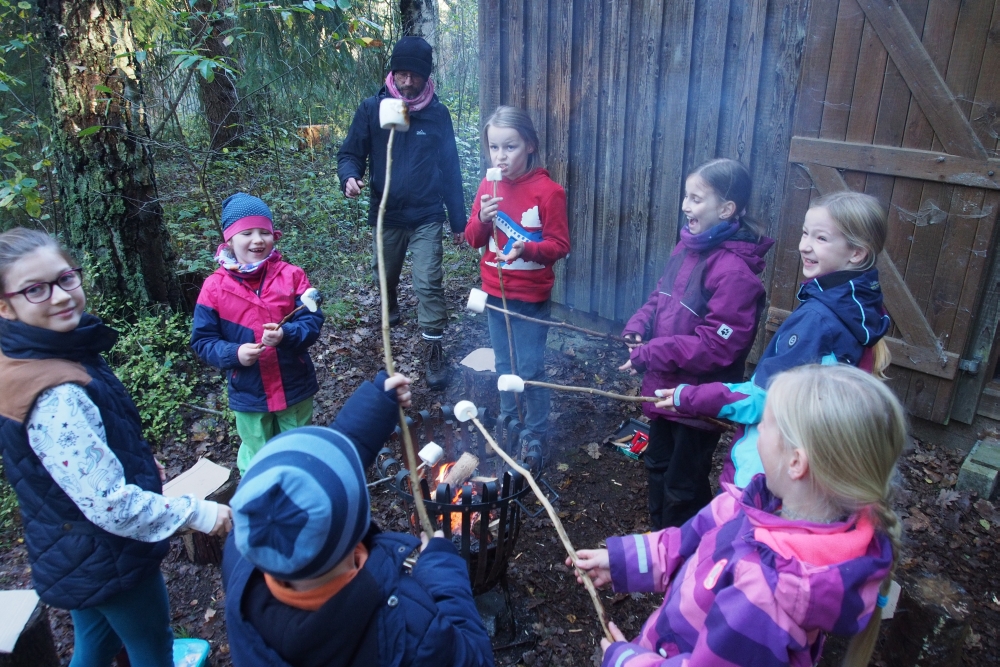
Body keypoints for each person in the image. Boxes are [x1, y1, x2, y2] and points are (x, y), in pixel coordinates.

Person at [0, 228, 232, 667]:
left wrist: (136, 461)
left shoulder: (39, 352)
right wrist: (199, 513)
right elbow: (110, 505)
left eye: (66, 278)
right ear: (5, 304)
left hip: (71, 547)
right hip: (105, 553)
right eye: (36, 289)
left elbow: (70, 459)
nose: (61, 296)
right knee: (152, 650)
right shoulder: (54, 391)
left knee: (97, 644)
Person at [571, 364, 903, 667]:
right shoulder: (755, 504)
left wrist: (627, 662)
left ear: (796, 463)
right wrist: (620, 562)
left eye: (764, 424)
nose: (753, 432)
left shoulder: (765, 598)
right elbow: (684, 542)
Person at [221, 371, 495, 667]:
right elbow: (473, 657)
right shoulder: (410, 631)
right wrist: (442, 572)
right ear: (354, 525)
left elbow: (328, 467)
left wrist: (377, 404)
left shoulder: (243, 555)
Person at [656, 190, 890, 489]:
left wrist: (686, 397)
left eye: (821, 239)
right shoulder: (862, 305)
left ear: (857, 253)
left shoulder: (817, 321)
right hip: (812, 462)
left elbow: (765, 399)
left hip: (767, 475)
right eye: (806, 233)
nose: (805, 246)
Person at [617, 158, 773, 529]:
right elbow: (661, 296)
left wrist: (652, 352)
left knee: (683, 484)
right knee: (657, 463)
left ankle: (687, 551)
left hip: (699, 398)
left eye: (696, 198)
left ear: (726, 209)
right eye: (686, 197)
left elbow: (717, 347)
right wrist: (639, 325)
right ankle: (661, 540)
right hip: (665, 388)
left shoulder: (735, 273)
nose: (686, 206)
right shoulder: (686, 249)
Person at [337, 35, 466, 390]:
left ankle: (434, 348)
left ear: (427, 76)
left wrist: (459, 220)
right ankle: (390, 303)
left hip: (426, 213)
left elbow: (450, 168)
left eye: (416, 76)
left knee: (427, 282)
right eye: (403, 73)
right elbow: (350, 153)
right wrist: (350, 177)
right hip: (387, 214)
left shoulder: (437, 114)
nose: (409, 83)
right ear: (393, 71)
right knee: (386, 275)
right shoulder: (371, 109)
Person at [191, 193, 324, 475]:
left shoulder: (292, 276)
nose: (257, 240)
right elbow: (203, 341)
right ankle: (261, 498)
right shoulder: (213, 288)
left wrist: (286, 335)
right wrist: (234, 353)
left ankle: (302, 494)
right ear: (229, 239)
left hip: (294, 386)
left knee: (298, 447)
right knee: (258, 454)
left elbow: (312, 321)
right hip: (249, 393)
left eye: (264, 232)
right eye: (247, 232)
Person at [465, 106, 570, 451]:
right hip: (495, 292)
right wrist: (482, 216)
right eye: (494, 147)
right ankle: (509, 422)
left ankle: (536, 433)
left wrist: (526, 248)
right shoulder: (488, 185)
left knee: (529, 366)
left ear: (529, 145)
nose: (501, 155)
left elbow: (559, 246)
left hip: (531, 296)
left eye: (509, 147)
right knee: (503, 363)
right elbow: (473, 239)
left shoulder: (548, 191)